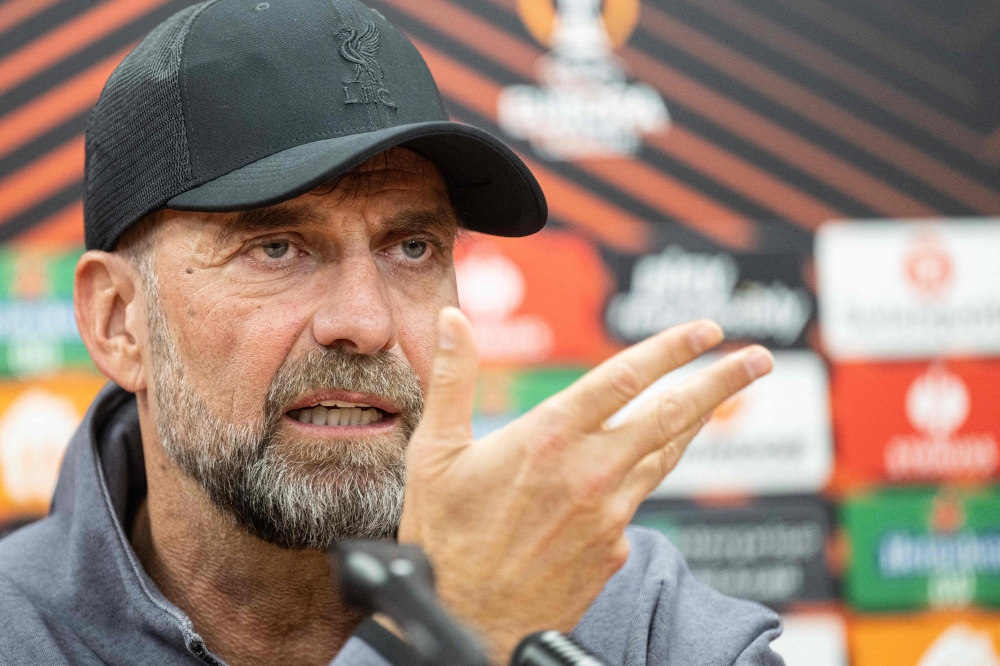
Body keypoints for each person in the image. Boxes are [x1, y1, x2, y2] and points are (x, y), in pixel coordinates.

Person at [0, 1, 783, 665]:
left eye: (412, 249)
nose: (366, 323)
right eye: (277, 248)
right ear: (118, 321)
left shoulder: (624, 611)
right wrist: (451, 632)